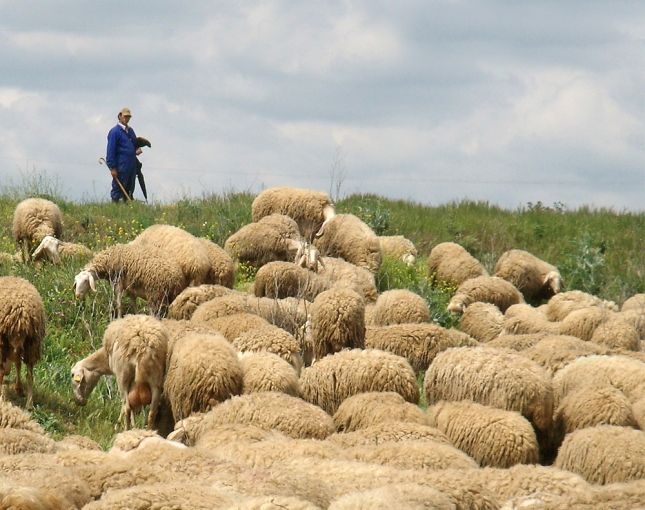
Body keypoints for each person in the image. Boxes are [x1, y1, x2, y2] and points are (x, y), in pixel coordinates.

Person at [105, 107, 141, 202]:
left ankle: (127, 207)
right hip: (121, 164)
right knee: (118, 188)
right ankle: (115, 206)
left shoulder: (130, 131)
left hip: (131, 164)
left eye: (128, 117)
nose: (127, 119)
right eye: (125, 116)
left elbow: (134, 144)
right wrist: (112, 167)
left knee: (130, 187)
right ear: (120, 116)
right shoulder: (115, 132)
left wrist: (137, 149)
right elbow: (110, 150)